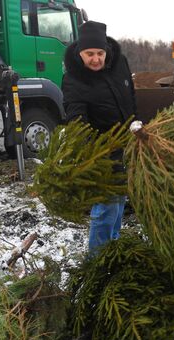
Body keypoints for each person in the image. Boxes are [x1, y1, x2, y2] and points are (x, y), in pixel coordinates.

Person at [62, 21, 137, 253]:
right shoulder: (74, 79)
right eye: (89, 54)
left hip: (128, 143)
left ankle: (111, 249)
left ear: (107, 51)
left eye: (100, 53)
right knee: (105, 207)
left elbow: (130, 95)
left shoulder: (120, 64)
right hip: (101, 151)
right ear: (79, 52)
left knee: (119, 202)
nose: (96, 59)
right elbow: (77, 120)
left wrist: (136, 121)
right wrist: (94, 154)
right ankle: (96, 260)